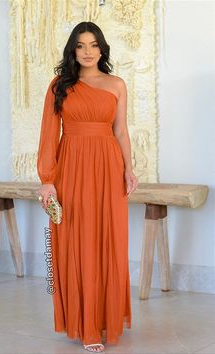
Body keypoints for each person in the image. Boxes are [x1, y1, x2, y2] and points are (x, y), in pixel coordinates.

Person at [37, 21, 139, 353]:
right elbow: (49, 136)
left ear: (102, 49)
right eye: (80, 46)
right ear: (72, 49)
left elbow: (121, 131)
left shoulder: (117, 84)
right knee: (77, 240)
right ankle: (87, 325)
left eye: (93, 45)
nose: (87, 52)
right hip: (72, 168)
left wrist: (129, 169)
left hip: (109, 166)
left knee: (108, 239)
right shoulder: (59, 86)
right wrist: (47, 181)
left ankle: (103, 315)